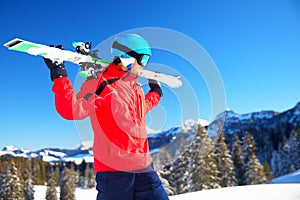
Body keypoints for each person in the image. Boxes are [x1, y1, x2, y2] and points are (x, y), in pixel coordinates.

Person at [44, 34, 169, 200]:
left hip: (144, 169)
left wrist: (156, 92)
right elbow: (71, 110)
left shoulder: (135, 87)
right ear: (128, 58)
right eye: (144, 60)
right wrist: (59, 74)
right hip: (115, 174)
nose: (145, 66)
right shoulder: (102, 85)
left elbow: (142, 108)